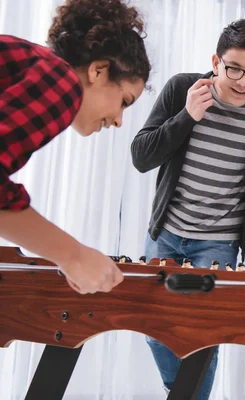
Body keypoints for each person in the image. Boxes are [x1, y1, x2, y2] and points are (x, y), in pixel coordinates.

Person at [130, 19, 245, 399]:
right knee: (157, 331)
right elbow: (141, 157)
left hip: (219, 242)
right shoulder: (182, 90)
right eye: (234, 69)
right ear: (215, 61)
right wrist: (187, 115)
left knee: (202, 338)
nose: (243, 82)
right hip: (167, 232)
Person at [0, 0, 151, 295]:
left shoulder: (30, 64)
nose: (119, 121)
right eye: (124, 101)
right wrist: (74, 256)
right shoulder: (61, 80)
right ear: (98, 71)